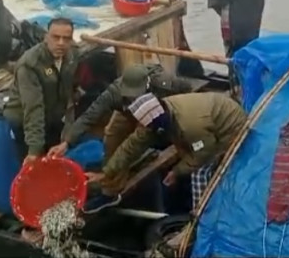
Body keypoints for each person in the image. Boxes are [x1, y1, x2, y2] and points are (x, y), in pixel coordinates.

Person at [47, 63, 194, 211]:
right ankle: (110, 192)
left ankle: (119, 169)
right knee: (111, 135)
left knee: (133, 145)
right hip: (125, 110)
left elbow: (187, 90)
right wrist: (66, 142)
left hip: (153, 110)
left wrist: (174, 114)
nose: (132, 96)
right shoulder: (113, 92)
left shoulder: (165, 83)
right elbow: (89, 116)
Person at [85, 92, 247, 217]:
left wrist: (177, 171)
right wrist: (106, 173)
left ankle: (201, 216)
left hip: (230, 129)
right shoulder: (158, 115)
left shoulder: (190, 125)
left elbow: (203, 152)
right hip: (206, 128)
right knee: (188, 157)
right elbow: (131, 147)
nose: (143, 127)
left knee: (201, 171)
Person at [3, 17, 78, 163]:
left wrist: (69, 128)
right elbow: (33, 108)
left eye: (66, 38)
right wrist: (34, 150)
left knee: (53, 159)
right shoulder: (30, 65)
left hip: (52, 116)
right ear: (46, 37)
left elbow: (69, 90)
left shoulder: (72, 55)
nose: (61, 43)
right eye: (56, 37)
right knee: (34, 165)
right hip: (25, 121)